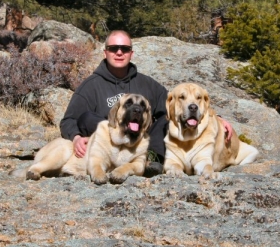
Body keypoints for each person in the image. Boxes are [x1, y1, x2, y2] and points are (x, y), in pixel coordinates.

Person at [59, 30, 232, 176]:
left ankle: (153, 161)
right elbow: (69, 120)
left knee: (165, 117)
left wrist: (215, 118)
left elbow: (176, 105)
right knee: (87, 118)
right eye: (114, 49)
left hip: (140, 145)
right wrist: (75, 138)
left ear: (131, 53)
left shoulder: (146, 83)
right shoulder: (91, 86)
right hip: (110, 146)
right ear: (105, 52)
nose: (119, 53)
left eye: (124, 49)